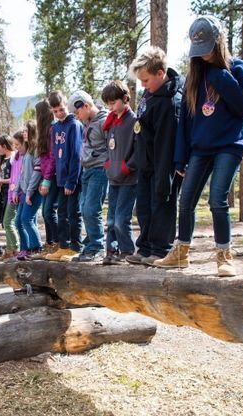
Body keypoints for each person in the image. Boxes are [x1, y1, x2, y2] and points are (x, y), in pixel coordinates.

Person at [153, 16, 243, 276]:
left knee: (217, 199)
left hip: (229, 144)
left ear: (219, 43)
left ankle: (224, 255)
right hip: (200, 147)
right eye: (198, 52)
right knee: (186, 199)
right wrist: (181, 159)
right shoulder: (194, 78)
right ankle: (181, 252)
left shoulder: (237, 69)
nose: (203, 56)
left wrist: (222, 78)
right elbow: (186, 123)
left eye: (208, 49)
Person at [125, 46, 183, 266]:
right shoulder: (150, 94)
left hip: (163, 164)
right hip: (146, 164)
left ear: (160, 73)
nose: (142, 85)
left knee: (162, 203)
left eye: (146, 80)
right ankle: (146, 246)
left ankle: (160, 249)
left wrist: (164, 174)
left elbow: (166, 142)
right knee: (144, 207)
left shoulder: (170, 101)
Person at [67, 90, 108, 262]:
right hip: (87, 170)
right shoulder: (86, 123)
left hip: (100, 169)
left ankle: (97, 247)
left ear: (85, 105)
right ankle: (90, 243)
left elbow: (113, 146)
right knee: (84, 208)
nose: (76, 117)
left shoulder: (104, 121)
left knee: (92, 209)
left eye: (77, 113)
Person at [101, 80, 138, 265]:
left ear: (125, 99)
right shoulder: (112, 123)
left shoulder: (133, 121)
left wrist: (126, 167)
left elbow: (138, 151)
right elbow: (109, 147)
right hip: (113, 178)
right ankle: (111, 250)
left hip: (129, 179)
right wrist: (109, 164)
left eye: (113, 103)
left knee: (121, 219)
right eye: (108, 104)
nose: (111, 107)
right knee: (110, 220)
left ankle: (127, 250)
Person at [45, 90, 84, 262]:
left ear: (66, 105)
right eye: (55, 111)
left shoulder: (74, 125)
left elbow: (76, 155)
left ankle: (76, 247)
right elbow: (55, 154)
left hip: (72, 179)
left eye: (61, 109)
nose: (59, 113)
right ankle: (64, 246)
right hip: (60, 179)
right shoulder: (55, 128)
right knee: (62, 213)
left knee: (73, 213)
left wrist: (71, 181)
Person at [13, 120, 43, 260]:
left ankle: (36, 248)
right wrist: (16, 191)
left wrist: (30, 192)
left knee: (27, 219)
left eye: (25, 131)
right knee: (18, 221)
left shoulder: (36, 149)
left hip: (34, 192)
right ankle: (24, 248)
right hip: (24, 191)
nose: (24, 133)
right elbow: (22, 174)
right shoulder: (27, 152)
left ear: (32, 132)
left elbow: (37, 172)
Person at [35, 99, 59, 256]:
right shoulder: (44, 132)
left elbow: (52, 157)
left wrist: (46, 179)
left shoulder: (52, 130)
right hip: (46, 176)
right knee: (46, 212)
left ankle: (57, 243)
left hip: (53, 177)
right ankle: (50, 243)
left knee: (49, 211)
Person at [0, 135, 19, 259]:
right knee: (5, 222)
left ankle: (16, 249)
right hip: (5, 193)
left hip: (14, 193)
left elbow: (15, 178)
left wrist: (0, 181)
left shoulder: (14, 157)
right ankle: (9, 250)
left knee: (8, 221)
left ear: (5, 146)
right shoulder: (4, 159)